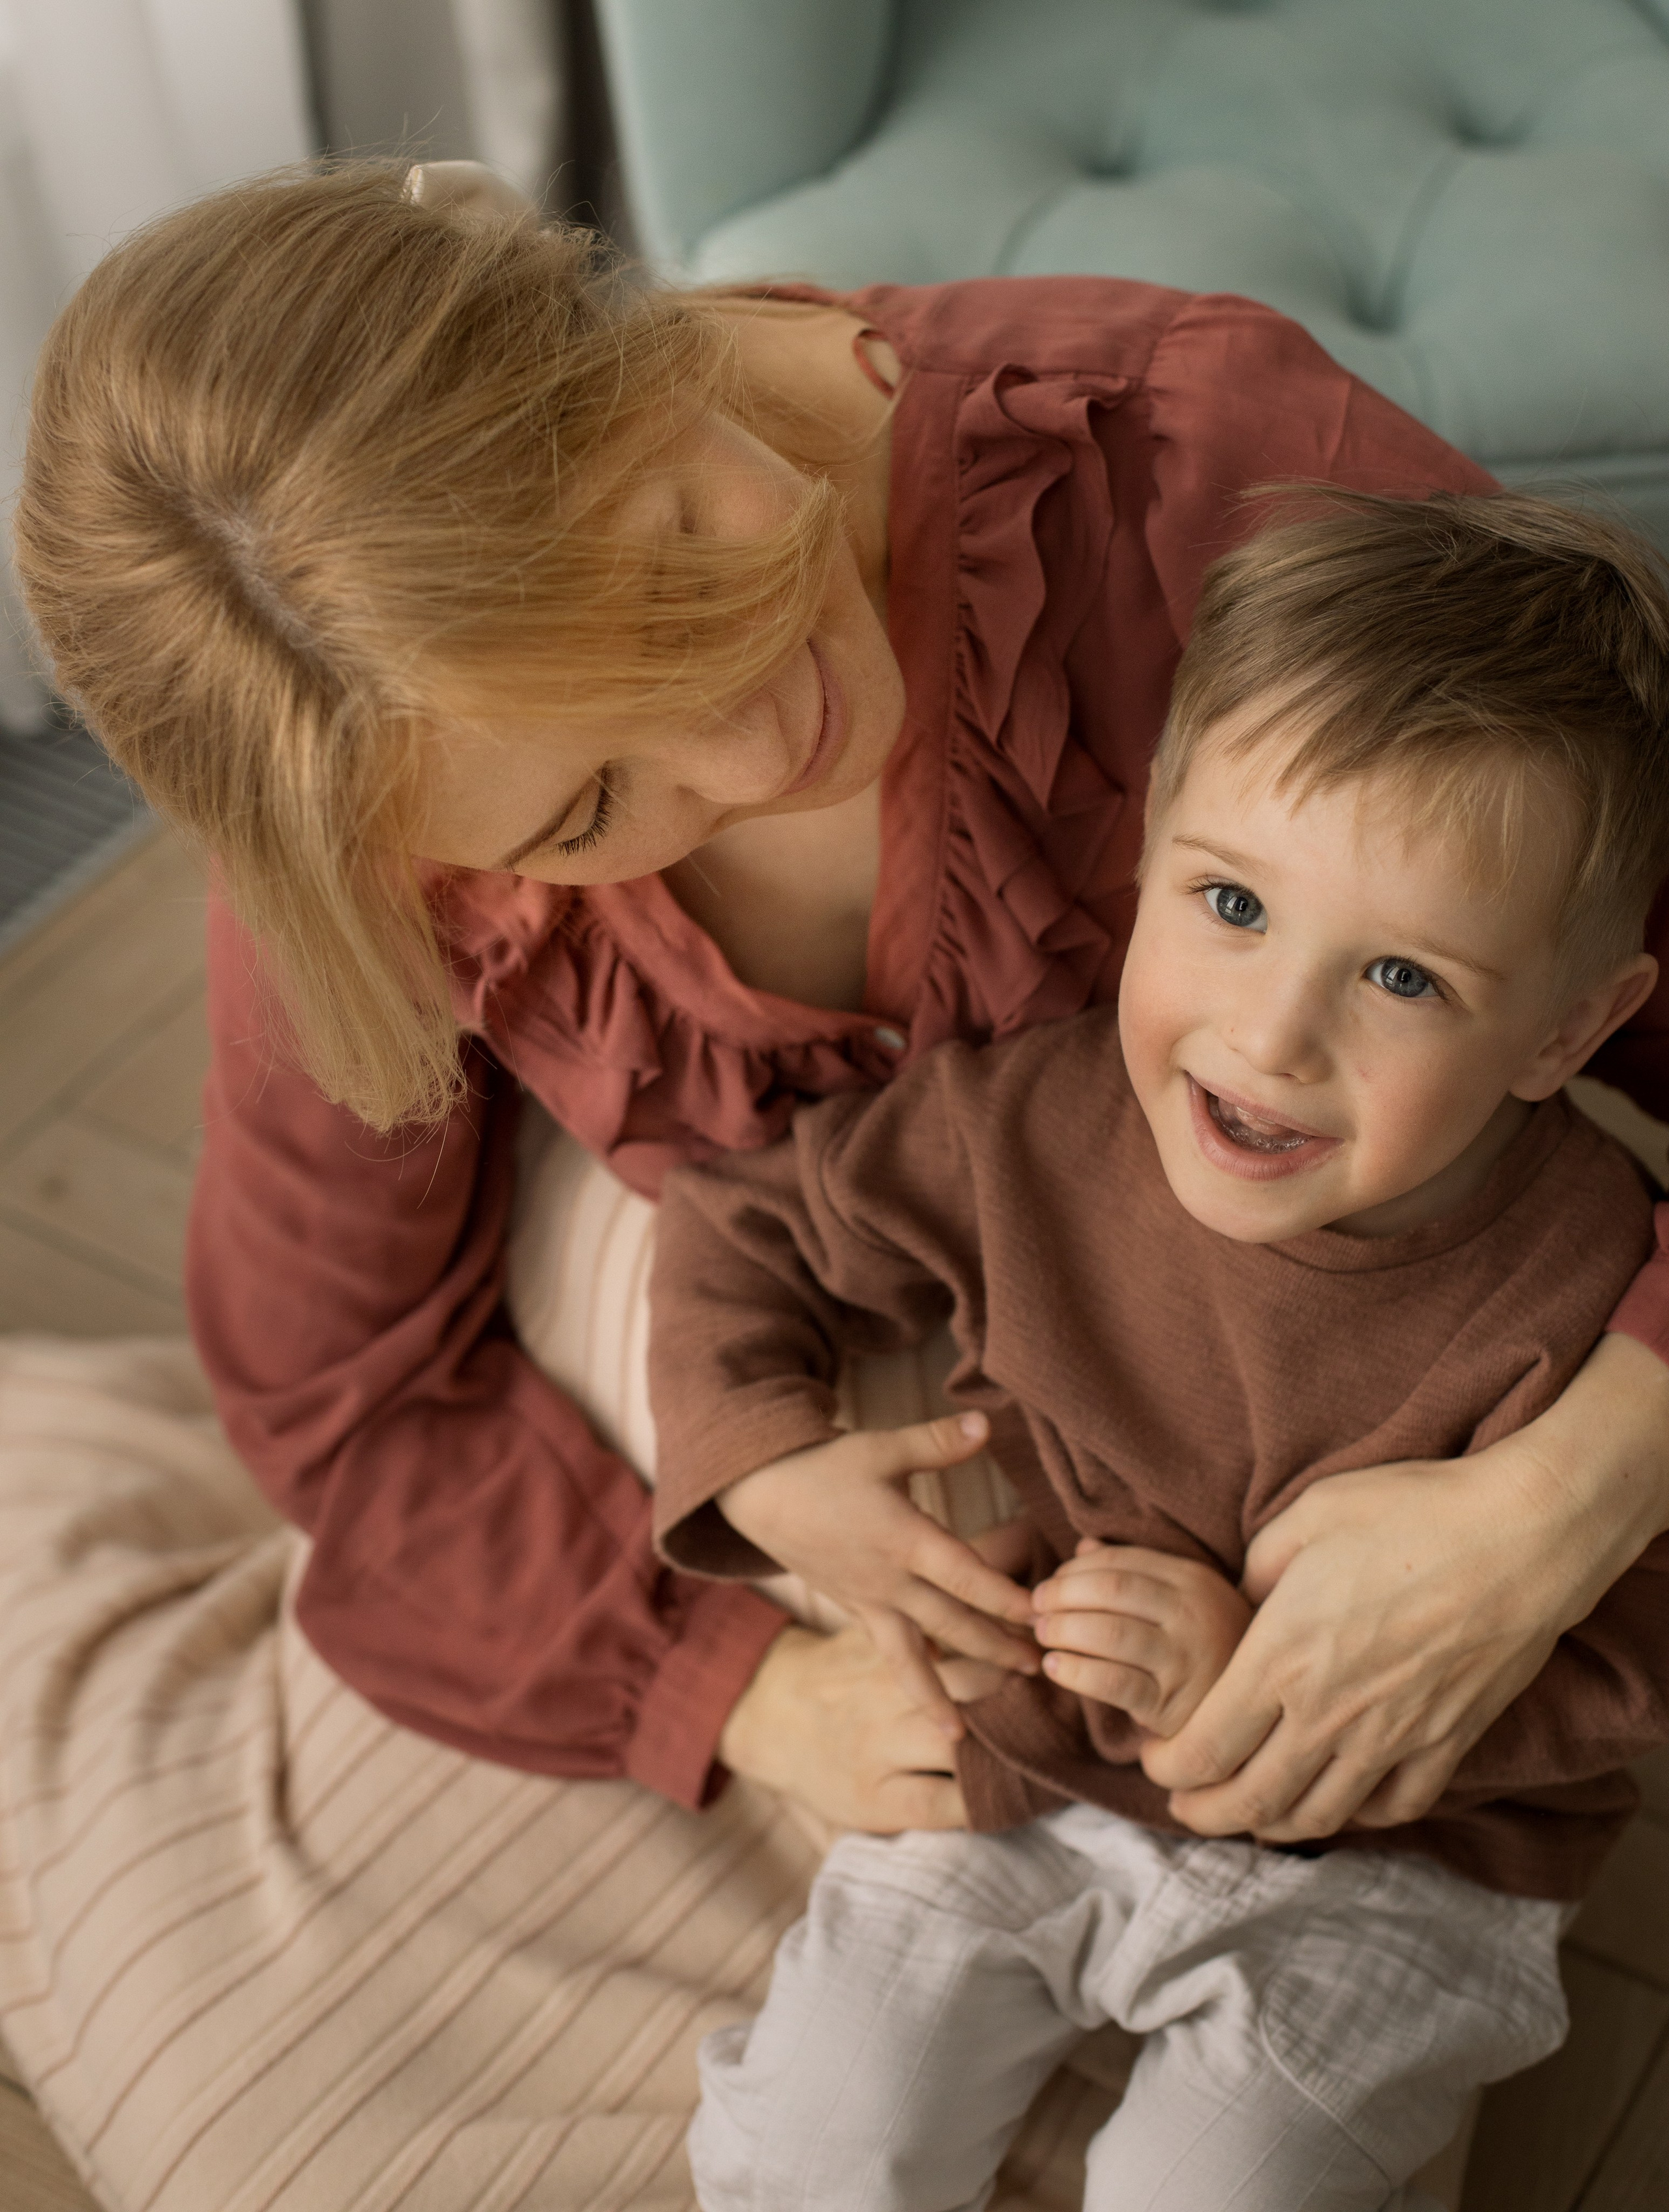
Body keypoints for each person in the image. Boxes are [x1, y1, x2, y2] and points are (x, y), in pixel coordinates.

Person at [4, 156, 1669, 2202]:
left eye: (670, 567)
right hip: (782, 1359)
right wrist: (737, 1685)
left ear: (590, 327)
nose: (744, 743)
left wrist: (1556, 1497)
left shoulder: (1197, 468)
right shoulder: (370, 787)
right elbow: (338, 1395)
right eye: (591, 798)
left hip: (1316, 1412)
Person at [643, 489, 1669, 2211]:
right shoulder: (1030, 1124)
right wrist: (770, 1460)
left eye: (1405, 978)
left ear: (1568, 1028)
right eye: (1233, 906)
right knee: (810, 2141)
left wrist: (1249, 1686)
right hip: (1029, 1776)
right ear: (1146, 864)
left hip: (1405, 1871)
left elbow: (1629, 1661)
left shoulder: (1587, 1270)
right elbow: (738, 1223)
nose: (1271, 1037)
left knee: (1214, 2191)